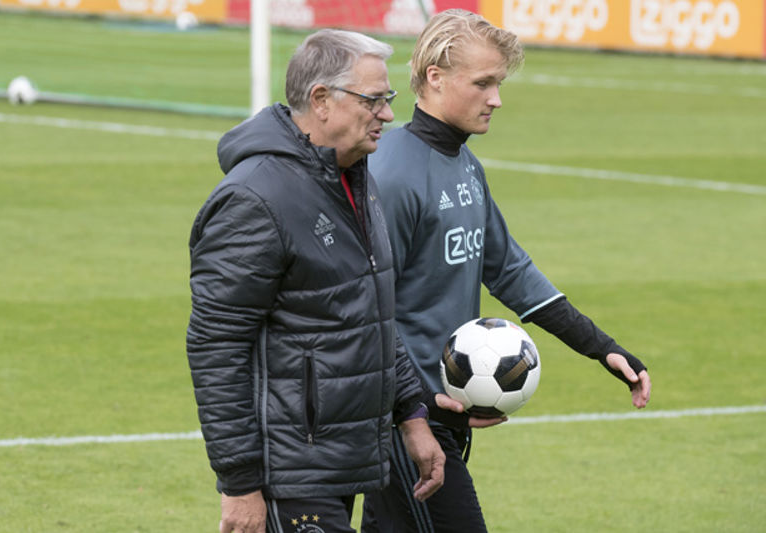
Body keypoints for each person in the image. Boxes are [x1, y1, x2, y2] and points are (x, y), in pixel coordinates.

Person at [361, 9, 652, 532]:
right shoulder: (393, 174)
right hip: (406, 420)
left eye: (498, 83)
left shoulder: (465, 166)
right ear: (435, 77)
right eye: (483, 83)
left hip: (435, 414)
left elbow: (510, 270)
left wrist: (600, 347)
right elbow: (366, 308)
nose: (496, 98)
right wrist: (417, 405)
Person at [186, 29, 446, 533]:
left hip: (342, 459)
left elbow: (369, 310)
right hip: (288, 472)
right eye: (373, 100)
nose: (387, 114)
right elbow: (216, 346)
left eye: (388, 98)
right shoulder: (255, 199)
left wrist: (412, 413)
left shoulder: (354, 176)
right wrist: (239, 483)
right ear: (321, 100)